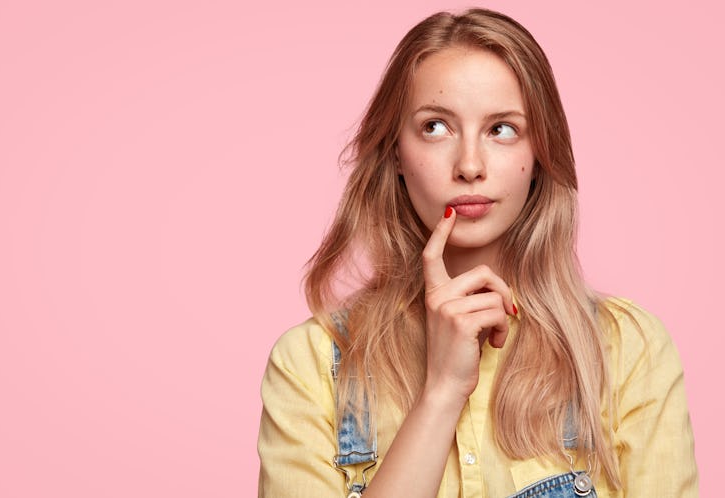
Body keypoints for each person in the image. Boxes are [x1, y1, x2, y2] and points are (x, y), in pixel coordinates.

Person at [257, 7, 698, 497]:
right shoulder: (311, 365)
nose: (469, 165)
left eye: (502, 129)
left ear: (539, 155)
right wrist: (440, 394)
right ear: (396, 153)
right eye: (435, 127)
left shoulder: (626, 350)